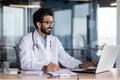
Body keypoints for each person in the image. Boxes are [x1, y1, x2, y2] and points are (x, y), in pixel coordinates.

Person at [18, 8, 96, 72]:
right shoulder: (26, 40)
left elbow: (65, 58)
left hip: (54, 76)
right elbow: (24, 63)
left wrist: (80, 65)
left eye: (52, 22)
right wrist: (44, 67)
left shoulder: (54, 40)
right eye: (48, 23)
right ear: (38, 24)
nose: (51, 25)